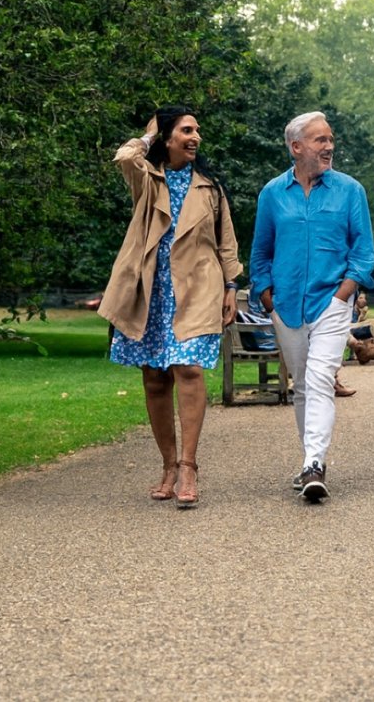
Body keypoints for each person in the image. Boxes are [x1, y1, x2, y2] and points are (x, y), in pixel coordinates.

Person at [98, 107, 241, 509]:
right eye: (186, 130)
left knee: (189, 369)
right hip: (151, 289)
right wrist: (149, 135)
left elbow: (226, 242)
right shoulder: (147, 178)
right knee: (155, 378)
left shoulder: (210, 187)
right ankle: (167, 466)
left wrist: (232, 287)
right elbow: (126, 156)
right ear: (167, 137)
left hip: (198, 288)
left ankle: (189, 466)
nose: (196, 137)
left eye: (198, 130)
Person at [251, 111, 374, 503]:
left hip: (331, 302)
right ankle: (310, 458)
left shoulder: (350, 191)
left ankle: (314, 465)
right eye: (320, 140)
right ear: (296, 147)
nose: (329, 146)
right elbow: (260, 253)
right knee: (304, 384)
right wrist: (267, 296)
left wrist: (344, 294)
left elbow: (364, 252)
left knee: (321, 377)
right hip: (286, 304)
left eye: (330, 139)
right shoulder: (272, 193)